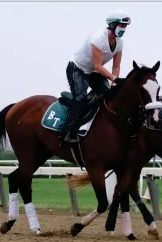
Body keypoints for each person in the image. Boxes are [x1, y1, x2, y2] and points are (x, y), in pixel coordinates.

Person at [61, 9, 131, 144]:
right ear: (113, 24)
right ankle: (67, 133)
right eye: (122, 25)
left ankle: (93, 126)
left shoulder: (120, 42)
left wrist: (114, 83)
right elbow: (98, 66)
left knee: (108, 94)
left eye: (125, 26)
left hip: (93, 71)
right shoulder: (99, 38)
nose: (124, 29)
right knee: (80, 99)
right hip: (78, 69)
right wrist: (114, 78)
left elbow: (116, 66)